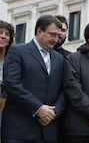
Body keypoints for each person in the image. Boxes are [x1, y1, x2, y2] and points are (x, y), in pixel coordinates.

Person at [2, 15, 65, 143]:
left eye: (58, 36)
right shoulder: (18, 51)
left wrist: (54, 112)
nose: (56, 39)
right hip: (19, 130)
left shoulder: (60, 59)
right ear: (39, 31)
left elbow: (64, 89)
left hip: (48, 131)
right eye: (52, 34)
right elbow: (12, 84)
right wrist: (38, 108)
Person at [0, 20, 14, 135]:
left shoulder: (13, 61)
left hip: (7, 109)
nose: (3, 36)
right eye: (0, 33)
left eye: (6, 34)